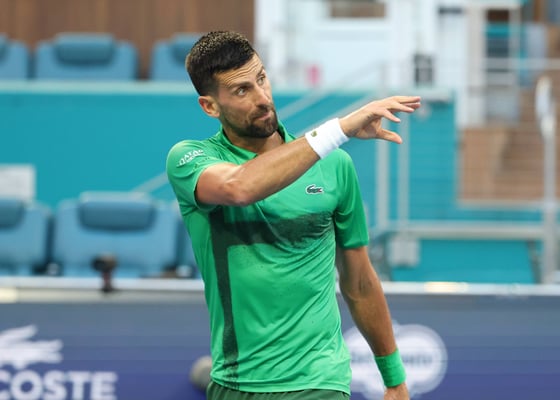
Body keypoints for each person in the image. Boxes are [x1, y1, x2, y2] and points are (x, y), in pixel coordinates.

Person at [166, 30, 420, 400]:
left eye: (262, 79)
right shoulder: (190, 159)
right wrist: (339, 129)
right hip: (237, 383)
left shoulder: (335, 166)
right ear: (210, 106)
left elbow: (360, 282)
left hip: (321, 381)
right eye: (242, 90)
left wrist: (394, 379)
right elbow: (239, 187)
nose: (262, 98)